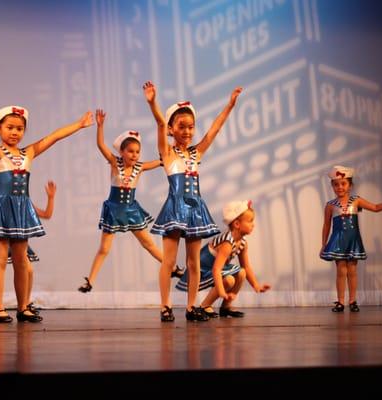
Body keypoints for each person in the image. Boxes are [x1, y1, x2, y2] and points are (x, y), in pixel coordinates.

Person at [0, 89, 93, 323]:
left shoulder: (29, 152)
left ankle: (23, 306)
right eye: (10, 127)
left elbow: (54, 137)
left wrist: (79, 124)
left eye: (19, 128)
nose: (15, 132)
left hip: (21, 207)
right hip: (2, 207)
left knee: (21, 260)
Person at [143, 80, 243, 322]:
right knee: (169, 261)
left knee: (193, 261)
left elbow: (215, 130)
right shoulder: (166, 153)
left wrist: (230, 106)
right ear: (171, 129)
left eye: (191, 127)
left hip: (195, 209)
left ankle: (191, 307)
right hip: (175, 208)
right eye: (181, 126)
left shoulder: (196, 153)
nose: (187, 131)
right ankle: (165, 306)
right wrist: (152, 102)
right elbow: (158, 122)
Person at [77, 109, 184, 293]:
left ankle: (173, 268)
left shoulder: (140, 167)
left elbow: (163, 159)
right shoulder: (114, 162)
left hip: (131, 210)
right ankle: (90, 281)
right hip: (114, 209)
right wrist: (100, 127)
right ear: (122, 151)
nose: (134, 155)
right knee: (104, 248)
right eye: (130, 151)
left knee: (148, 243)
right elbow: (101, 145)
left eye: (137, 152)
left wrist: (173, 142)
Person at [0, 160, 56, 318]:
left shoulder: (23, 202)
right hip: (0, 238)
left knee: (28, 269)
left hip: (18, 239)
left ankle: (25, 302)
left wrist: (51, 198)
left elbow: (46, 214)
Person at [320, 165, 382, 312]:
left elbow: (375, 208)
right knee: (341, 272)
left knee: (352, 271)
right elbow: (326, 225)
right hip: (338, 241)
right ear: (332, 186)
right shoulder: (330, 205)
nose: (340, 187)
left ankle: (352, 301)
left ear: (350, 185)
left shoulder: (356, 200)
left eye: (343, 184)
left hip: (352, 241)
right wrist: (323, 244)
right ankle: (340, 302)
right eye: (336, 185)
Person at [176, 200, 270, 318]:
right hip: (203, 270)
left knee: (241, 272)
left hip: (215, 268)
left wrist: (256, 286)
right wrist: (221, 292)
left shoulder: (242, 243)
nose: (253, 224)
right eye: (250, 221)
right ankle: (205, 306)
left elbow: (246, 266)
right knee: (229, 280)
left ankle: (226, 306)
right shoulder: (227, 243)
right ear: (237, 224)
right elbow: (216, 269)